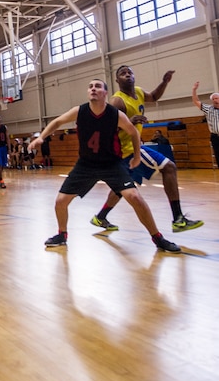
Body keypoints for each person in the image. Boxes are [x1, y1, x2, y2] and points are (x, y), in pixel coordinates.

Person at [28, 79, 181, 252]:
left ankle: (158, 238)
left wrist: (137, 156)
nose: (93, 89)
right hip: (86, 164)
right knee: (60, 201)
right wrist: (42, 137)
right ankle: (62, 235)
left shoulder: (115, 114)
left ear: (105, 93)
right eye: (90, 86)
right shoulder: (79, 111)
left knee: (135, 197)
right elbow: (57, 122)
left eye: (97, 86)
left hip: (111, 164)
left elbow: (133, 133)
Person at [91, 66, 203, 233]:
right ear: (117, 81)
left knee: (124, 188)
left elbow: (155, 96)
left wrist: (164, 82)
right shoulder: (118, 101)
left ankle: (100, 217)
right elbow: (107, 130)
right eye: (123, 73)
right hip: (126, 150)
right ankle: (178, 219)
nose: (127, 75)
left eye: (130, 72)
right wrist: (129, 121)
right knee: (169, 167)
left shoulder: (138, 92)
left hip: (133, 147)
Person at [191, 82, 219, 167]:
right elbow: (196, 101)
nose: (215, 100)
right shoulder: (208, 109)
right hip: (215, 136)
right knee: (218, 156)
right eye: (213, 99)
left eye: (217, 98)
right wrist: (194, 90)